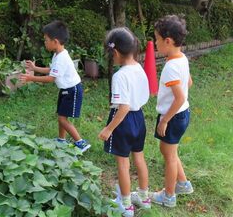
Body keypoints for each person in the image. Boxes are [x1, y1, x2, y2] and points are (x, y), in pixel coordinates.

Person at [98, 27, 151, 217]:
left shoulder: (120, 75)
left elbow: (123, 107)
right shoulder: (139, 67)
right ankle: (144, 198)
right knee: (139, 158)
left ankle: (126, 205)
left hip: (123, 121)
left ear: (116, 52)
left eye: (110, 54)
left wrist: (108, 129)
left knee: (123, 164)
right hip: (139, 118)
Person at [20, 20, 91, 152]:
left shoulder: (61, 58)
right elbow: (51, 70)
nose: (45, 43)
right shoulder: (57, 55)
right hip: (66, 90)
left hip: (72, 91)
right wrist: (35, 68)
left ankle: (81, 143)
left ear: (55, 41)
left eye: (46, 40)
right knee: (61, 116)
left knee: (63, 119)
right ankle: (61, 140)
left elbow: (51, 78)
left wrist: (31, 78)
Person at [151, 15, 194, 208]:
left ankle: (168, 196)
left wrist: (164, 120)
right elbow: (189, 83)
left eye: (157, 39)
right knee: (170, 151)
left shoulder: (170, 67)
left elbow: (179, 98)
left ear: (167, 41)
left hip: (173, 116)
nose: (155, 43)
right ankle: (183, 184)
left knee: (168, 155)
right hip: (182, 113)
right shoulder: (182, 58)